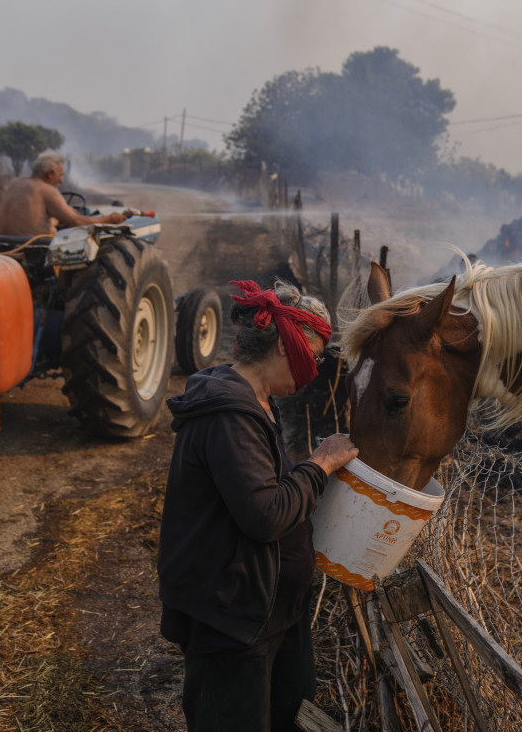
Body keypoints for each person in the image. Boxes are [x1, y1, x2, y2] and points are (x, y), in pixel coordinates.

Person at [157, 280, 358, 732]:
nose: (315, 368)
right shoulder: (230, 414)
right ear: (287, 347)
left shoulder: (260, 405)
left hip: (271, 615)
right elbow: (265, 514)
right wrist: (320, 464)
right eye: (315, 352)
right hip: (233, 623)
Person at [0, 151, 125, 236]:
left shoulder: (15, 184)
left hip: (3, 246)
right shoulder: (47, 190)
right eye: (60, 175)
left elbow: (29, 219)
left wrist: (56, 218)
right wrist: (109, 219)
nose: (61, 180)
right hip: (32, 251)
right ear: (50, 174)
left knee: (52, 229)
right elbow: (76, 222)